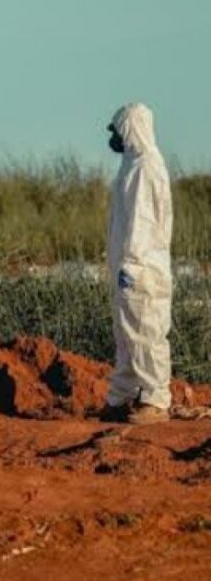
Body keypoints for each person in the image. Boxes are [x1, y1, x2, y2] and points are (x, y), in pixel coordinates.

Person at [104, 103, 173, 424]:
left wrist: (132, 263)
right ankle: (122, 397)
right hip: (128, 267)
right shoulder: (132, 166)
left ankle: (155, 401)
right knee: (126, 335)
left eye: (118, 130)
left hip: (141, 267)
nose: (114, 137)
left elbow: (143, 223)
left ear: (130, 128)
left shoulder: (146, 167)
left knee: (146, 333)